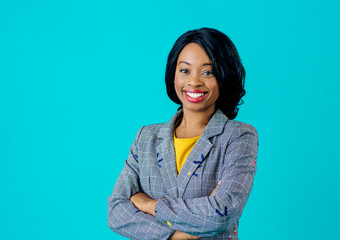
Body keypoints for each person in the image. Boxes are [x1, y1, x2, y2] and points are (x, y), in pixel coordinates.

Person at [107, 27, 258, 240]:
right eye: (185, 70)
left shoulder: (239, 136)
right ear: (173, 76)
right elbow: (116, 211)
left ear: (223, 76)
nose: (194, 81)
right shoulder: (146, 137)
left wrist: (151, 205)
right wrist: (177, 236)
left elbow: (223, 212)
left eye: (208, 72)